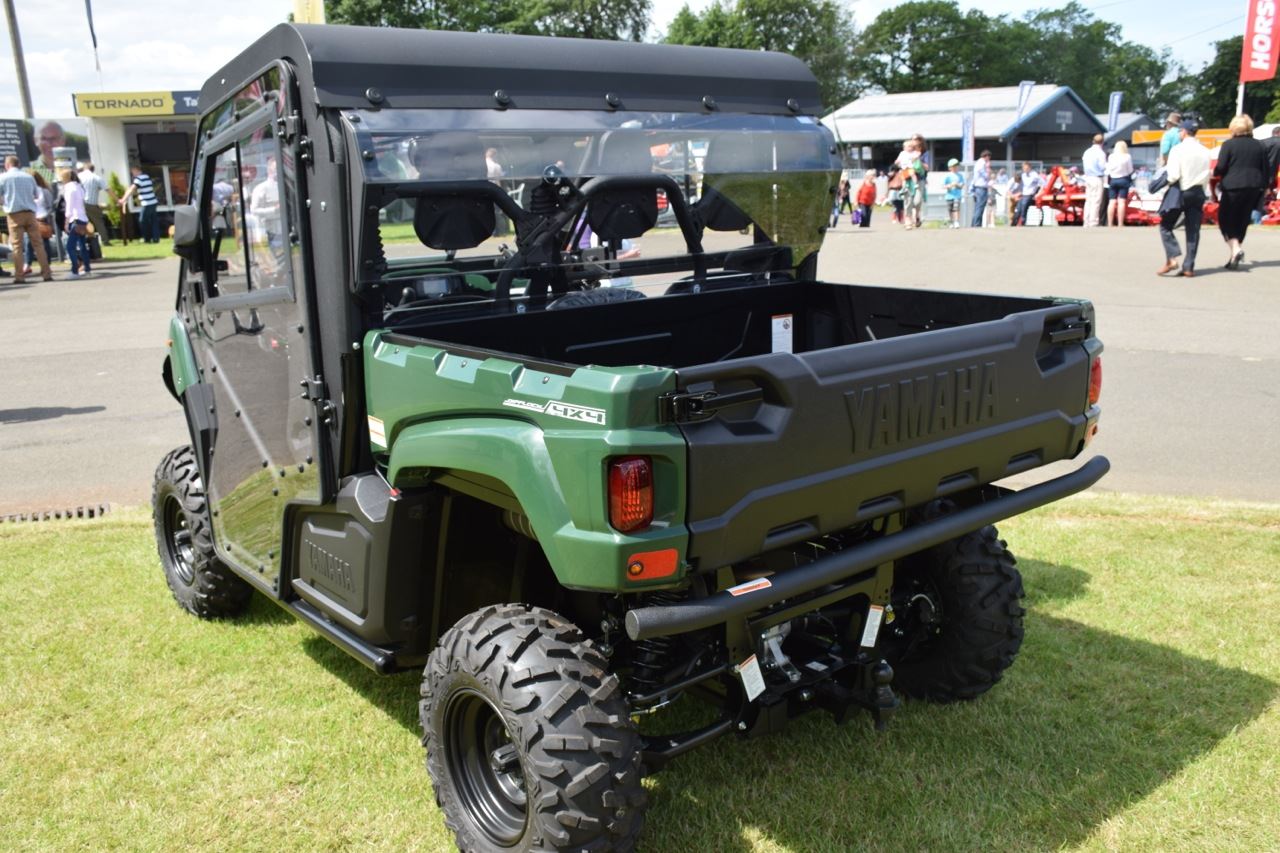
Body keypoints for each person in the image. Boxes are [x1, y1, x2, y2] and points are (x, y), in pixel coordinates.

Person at [1213, 114, 1268, 270]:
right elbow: (1266, 168)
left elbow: (1221, 167)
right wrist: (1264, 186)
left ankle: (1236, 248)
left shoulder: (1229, 145)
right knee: (1242, 219)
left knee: (1225, 218)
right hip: (1254, 185)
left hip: (1233, 185)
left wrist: (1215, 172)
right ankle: (1233, 255)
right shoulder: (1260, 145)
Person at [1157, 120, 1211, 277]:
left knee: (1166, 225)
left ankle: (1172, 257)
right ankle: (1189, 266)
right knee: (1193, 229)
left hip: (1182, 190)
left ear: (1184, 132)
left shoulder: (1178, 150)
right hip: (1199, 191)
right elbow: (1207, 173)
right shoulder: (1205, 150)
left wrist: (1160, 184)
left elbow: (1173, 175)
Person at [0, 156, 53, 283]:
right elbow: (35, 194)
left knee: (17, 246)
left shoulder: (3, 178)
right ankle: (46, 274)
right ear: (18, 164)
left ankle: (19, 276)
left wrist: (4, 204)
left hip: (14, 214)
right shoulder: (28, 177)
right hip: (30, 213)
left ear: (7, 165)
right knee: (38, 244)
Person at [60, 169, 91, 278]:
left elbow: (69, 207)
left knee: (70, 247)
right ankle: (87, 268)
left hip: (75, 218)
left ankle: (75, 270)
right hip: (83, 218)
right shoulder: (79, 187)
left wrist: (66, 221)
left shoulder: (69, 189)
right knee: (82, 245)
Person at [119, 164, 160, 243]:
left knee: (142, 220)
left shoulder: (138, 179)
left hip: (147, 203)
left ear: (136, 170)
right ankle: (156, 238)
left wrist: (123, 199)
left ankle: (147, 238)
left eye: (133, 172)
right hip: (153, 201)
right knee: (153, 220)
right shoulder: (146, 177)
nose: (132, 173)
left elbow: (132, 189)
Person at [25, 172, 56, 273]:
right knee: (28, 243)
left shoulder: (44, 191)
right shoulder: (27, 191)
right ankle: (28, 264)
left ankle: (47, 265)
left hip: (42, 218)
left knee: (44, 243)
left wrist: (46, 215)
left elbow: (50, 205)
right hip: (31, 218)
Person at [77, 161, 111, 246]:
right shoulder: (96, 178)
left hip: (80, 203)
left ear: (85, 168)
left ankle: (83, 241)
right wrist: (117, 200)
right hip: (91, 203)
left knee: (81, 223)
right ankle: (105, 241)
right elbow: (107, 189)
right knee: (99, 222)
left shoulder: (78, 176)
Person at [1105, 140, 1135, 227]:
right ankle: (1120, 223)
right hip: (1124, 179)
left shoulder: (1111, 156)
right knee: (1121, 202)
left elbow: (1108, 169)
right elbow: (1130, 170)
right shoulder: (1127, 156)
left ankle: (1110, 223)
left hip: (1113, 180)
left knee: (1112, 201)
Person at [1082, 134, 1107, 227]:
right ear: (1102, 142)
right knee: (1096, 201)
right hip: (1097, 177)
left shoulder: (1087, 152)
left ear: (1093, 141)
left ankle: (1086, 221)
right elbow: (1103, 167)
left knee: (1088, 200)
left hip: (1088, 177)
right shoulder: (1101, 153)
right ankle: (1093, 221)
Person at [29, 121, 64, 187]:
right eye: (43, 139)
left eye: (54, 138)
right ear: (36, 141)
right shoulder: (27, 171)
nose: (49, 144)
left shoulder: (76, 169)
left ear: (63, 140)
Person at [1014, 162, 1042, 226]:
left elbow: (1042, 184)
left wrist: (1038, 193)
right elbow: (1022, 186)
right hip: (1023, 194)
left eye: (1026, 168)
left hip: (1030, 194)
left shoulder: (1034, 175)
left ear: (1029, 167)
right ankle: (1015, 223)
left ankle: (1023, 222)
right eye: (1023, 168)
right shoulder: (1023, 175)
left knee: (1024, 208)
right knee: (1018, 209)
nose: (1024, 169)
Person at [970, 150, 992, 228]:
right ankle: (977, 224)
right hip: (981, 187)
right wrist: (989, 173)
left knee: (977, 207)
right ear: (986, 156)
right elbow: (985, 174)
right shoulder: (982, 163)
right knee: (980, 206)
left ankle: (974, 223)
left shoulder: (978, 163)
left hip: (977, 187)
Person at [943, 158, 964, 228]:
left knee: (956, 208)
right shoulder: (947, 176)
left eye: (956, 166)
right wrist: (950, 185)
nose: (955, 167)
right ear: (950, 168)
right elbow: (943, 186)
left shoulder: (960, 175)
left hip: (957, 195)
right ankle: (951, 221)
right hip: (949, 195)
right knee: (950, 209)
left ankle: (956, 221)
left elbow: (962, 185)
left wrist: (957, 185)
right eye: (953, 166)